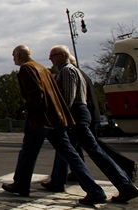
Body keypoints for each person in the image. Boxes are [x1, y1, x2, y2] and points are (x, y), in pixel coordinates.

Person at [1, 45, 107, 206]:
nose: (13, 58)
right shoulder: (43, 68)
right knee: (71, 155)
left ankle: (21, 185)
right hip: (55, 118)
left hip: (40, 118)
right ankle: (95, 190)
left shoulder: (27, 68)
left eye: (14, 55)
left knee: (28, 152)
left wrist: (28, 108)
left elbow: (36, 94)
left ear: (20, 55)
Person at [42, 45, 138, 203]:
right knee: (68, 151)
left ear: (61, 56)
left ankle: (124, 186)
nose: (50, 59)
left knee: (95, 152)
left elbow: (68, 99)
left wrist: (60, 118)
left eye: (52, 56)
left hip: (75, 115)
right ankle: (58, 181)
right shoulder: (73, 70)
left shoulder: (66, 71)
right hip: (79, 113)